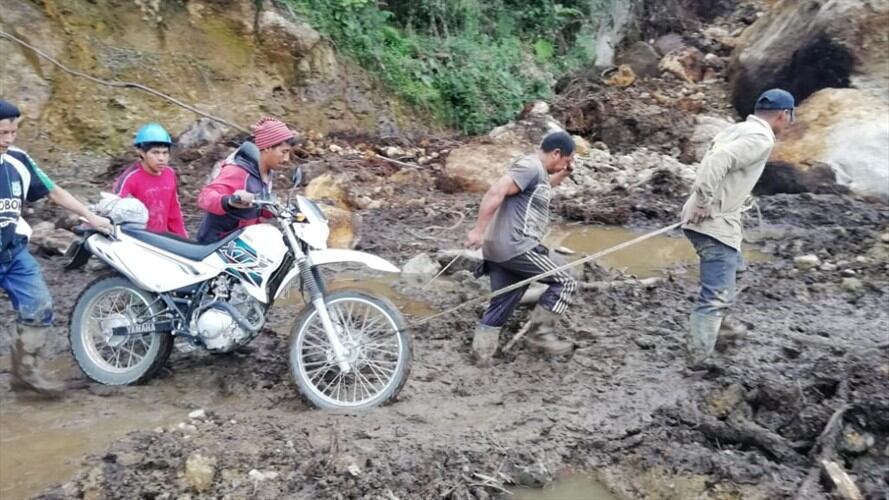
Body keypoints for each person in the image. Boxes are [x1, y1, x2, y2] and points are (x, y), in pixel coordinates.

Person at [0, 99, 112, 395]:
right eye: (2, 134)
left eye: (13, 132)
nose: (8, 140)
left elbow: (53, 191)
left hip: (12, 252)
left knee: (39, 306)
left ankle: (25, 372)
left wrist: (89, 215)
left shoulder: (17, 160)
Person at [681, 88, 796, 369]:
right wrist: (705, 201)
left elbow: (719, 162)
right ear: (784, 115)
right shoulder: (760, 138)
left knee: (735, 270)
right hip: (713, 223)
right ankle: (698, 358)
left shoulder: (738, 129)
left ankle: (721, 329)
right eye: (791, 117)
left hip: (715, 221)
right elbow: (717, 161)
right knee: (715, 295)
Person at [465, 131, 578, 365]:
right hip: (516, 245)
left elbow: (542, 188)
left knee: (503, 302)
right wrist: (477, 230)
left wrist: (564, 173)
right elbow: (496, 191)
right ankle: (539, 335)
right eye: (566, 161)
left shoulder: (537, 174)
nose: (565, 165)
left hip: (499, 249)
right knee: (566, 280)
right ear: (556, 153)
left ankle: (481, 356)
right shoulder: (530, 166)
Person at [196, 117, 296, 243]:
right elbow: (205, 197)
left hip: (245, 240)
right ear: (267, 148)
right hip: (220, 244)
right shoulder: (238, 171)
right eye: (284, 152)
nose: (286, 159)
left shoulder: (265, 172)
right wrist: (229, 201)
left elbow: (255, 206)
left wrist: (276, 209)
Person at [112, 123, 188, 237]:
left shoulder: (170, 174)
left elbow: (174, 210)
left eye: (165, 153)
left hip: (160, 238)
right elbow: (115, 211)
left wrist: (182, 239)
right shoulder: (130, 178)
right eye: (155, 153)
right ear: (141, 152)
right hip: (137, 239)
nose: (161, 158)